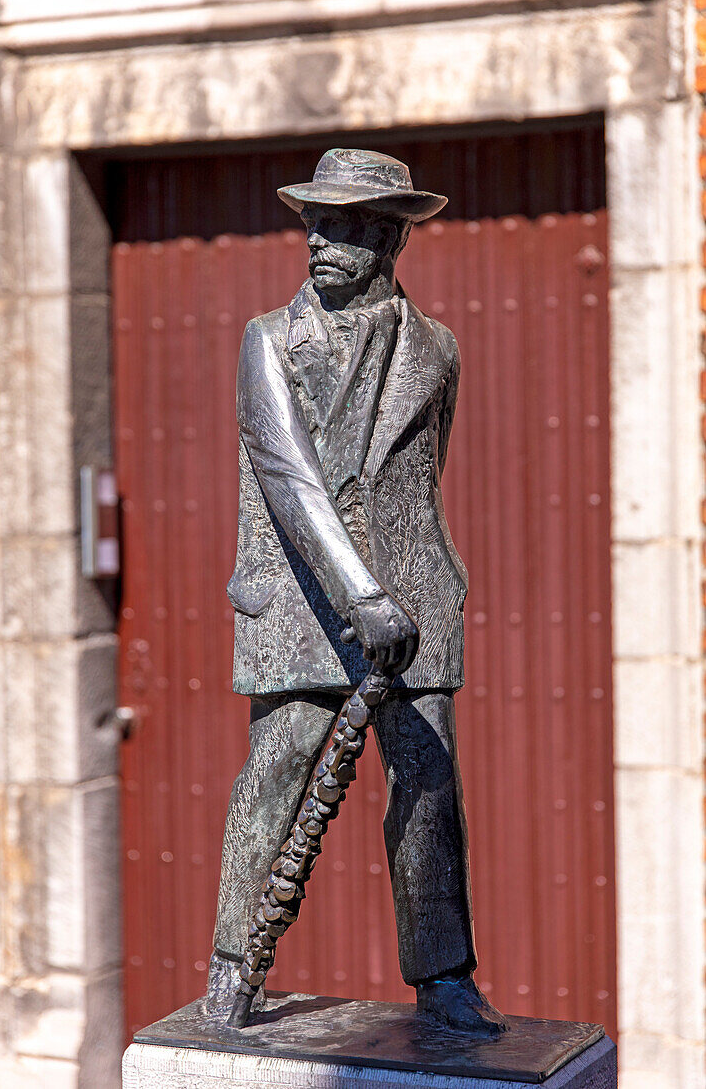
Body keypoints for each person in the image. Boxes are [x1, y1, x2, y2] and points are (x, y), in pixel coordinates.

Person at [208, 148, 506, 1036]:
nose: (319, 241)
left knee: (426, 787)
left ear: (387, 237)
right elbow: (288, 476)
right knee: (274, 778)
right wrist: (361, 594)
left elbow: (417, 483)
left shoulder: (439, 350)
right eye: (314, 222)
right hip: (303, 598)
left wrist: (403, 590)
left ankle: (444, 975)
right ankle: (234, 965)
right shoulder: (268, 340)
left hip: (413, 603)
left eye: (342, 225)